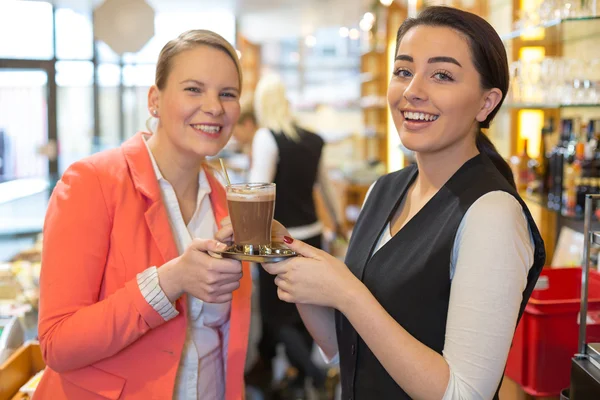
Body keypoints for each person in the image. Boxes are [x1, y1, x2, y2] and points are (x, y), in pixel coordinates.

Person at [258, 6, 546, 400]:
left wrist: (348, 293)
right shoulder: (386, 190)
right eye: (404, 71)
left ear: (486, 103)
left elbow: (464, 394)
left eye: (441, 75)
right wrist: (282, 253)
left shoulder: (492, 213)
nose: (413, 91)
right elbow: (344, 351)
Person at [35, 30, 251, 400]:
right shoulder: (93, 182)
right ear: (154, 100)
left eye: (227, 94)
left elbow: (226, 336)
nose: (214, 106)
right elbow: (57, 342)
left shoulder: (229, 202)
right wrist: (168, 282)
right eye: (194, 89)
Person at [246, 74, 342, 398]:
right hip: (312, 237)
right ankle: (302, 381)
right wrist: (340, 224)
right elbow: (326, 187)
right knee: (304, 314)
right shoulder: (313, 139)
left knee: (276, 316)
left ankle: (317, 375)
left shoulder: (266, 137)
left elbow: (258, 191)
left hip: (276, 242)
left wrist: (247, 238)